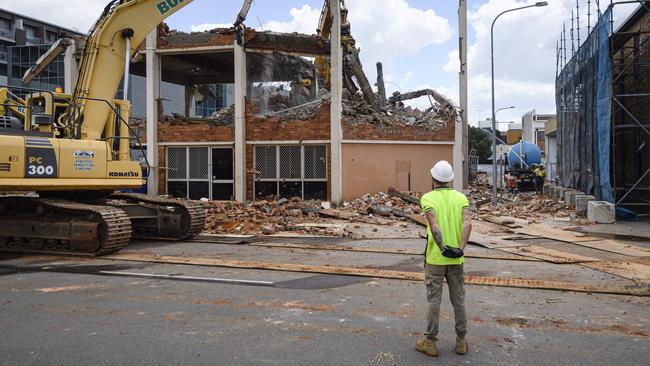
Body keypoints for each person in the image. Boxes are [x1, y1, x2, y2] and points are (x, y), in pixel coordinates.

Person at [415, 160, 472, 358]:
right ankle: (461, 341)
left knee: (434, 301)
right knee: (459, 300)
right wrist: (460, 250)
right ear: (451, 179)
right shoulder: (461, 198)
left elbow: (435, 227)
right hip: (456, 260)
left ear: (433, 178)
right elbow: (468, 224)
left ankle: (430, 343)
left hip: (435, 259)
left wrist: (442, 248)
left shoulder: (427, 198)